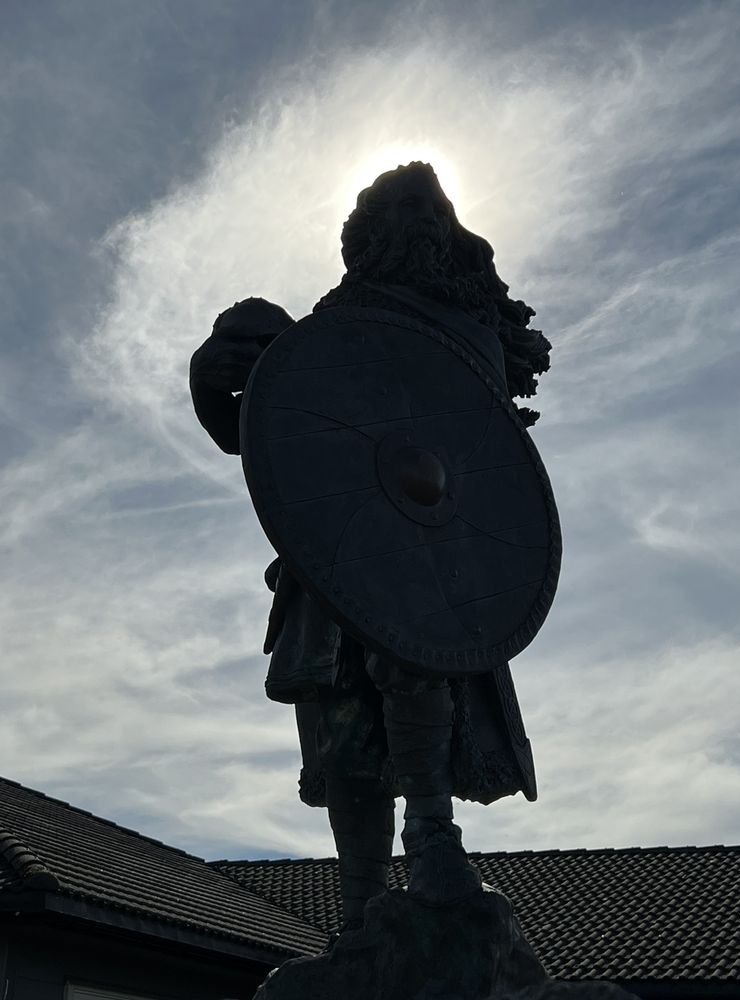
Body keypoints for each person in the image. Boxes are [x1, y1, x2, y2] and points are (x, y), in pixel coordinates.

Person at [190, 162, 551, 934]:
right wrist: (215, 381)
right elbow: (267, 439)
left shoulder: (468, 334)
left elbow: (458, 443)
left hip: (429, 568)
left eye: (426, 205)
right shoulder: (334, 324)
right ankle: (359, 903)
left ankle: (431, 838)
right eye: (391, 206)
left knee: (412, 672)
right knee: (343, 729)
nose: (410, 218)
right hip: (334, 568)